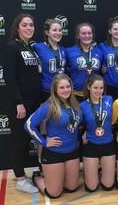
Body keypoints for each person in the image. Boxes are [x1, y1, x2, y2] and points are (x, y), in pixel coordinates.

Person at [0, 13, 41, 193]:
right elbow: (8, 76)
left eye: (31, 25)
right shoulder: (11, 47)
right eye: (25, 25)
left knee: (27, 138)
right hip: (19, 102)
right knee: (18, 141)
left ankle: (26, 176)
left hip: (33, 101)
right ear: (17, 28)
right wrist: (18, 102)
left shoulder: (31, 48)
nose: (29, 28)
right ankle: (20, 178)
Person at [25, 74, 82, 198]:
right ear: (55, 90)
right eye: (62, 87)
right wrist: (45, 142)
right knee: (54, 193)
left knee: (71, 188)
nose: (66, 90)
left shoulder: (75, 105)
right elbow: (28, 125)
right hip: (54, 153)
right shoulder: (49, 106)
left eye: (68, 86)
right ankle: (37, 178)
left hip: (72, 152)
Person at [80, 74, 115, 192]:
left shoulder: (109, 100)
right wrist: (83, 132)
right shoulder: (83, 105)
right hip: (91, 145)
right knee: (91, 187)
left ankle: (102, 173)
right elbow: (81, 124)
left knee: (108, 186)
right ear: (89, 87)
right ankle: (92, 175)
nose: (99, 91)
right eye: (96, 88)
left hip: (108, 143)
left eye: (101, 88)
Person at [66, 22, 103, 102]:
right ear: (78, 36)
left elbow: (101, 72)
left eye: (89, 33)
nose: (87, 36)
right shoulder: (69, 51)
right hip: (75, 95)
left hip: (94, 95)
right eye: (83, 33)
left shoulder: (99, 52)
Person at [33, 19, 67, 102]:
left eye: (60, 30)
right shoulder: (38, 47)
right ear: (47, 32)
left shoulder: (63, 50)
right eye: (54, 30)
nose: (58, 33)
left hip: (61, 91)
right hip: (47, 90)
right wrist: (37, 63)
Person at [99, 18, 118, 100]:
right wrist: (102, 69)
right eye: (115, 29)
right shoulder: (102, 46)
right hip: (109, 85)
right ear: (110, 31)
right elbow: (98, 61)